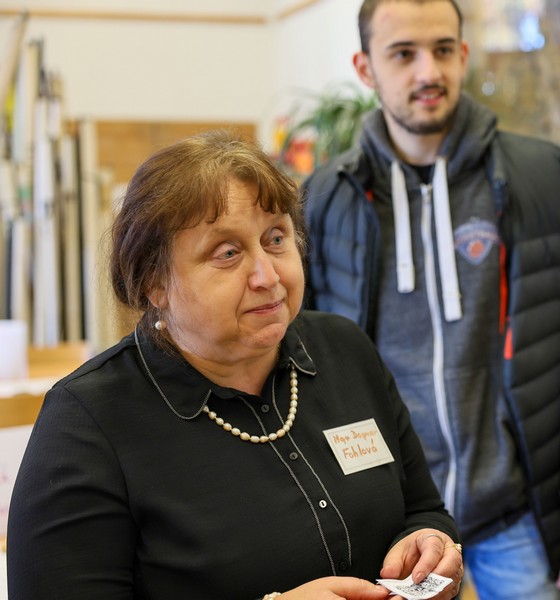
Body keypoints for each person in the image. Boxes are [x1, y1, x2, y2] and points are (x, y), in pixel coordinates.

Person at [6, 130, 465, 600]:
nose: (267, 275)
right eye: (227, 253)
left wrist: (431, 542)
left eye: (276, 238)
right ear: (154, 282)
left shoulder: (345, 349)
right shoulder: (87, 423)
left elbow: (422, 508)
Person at [301, 0, 560, 598]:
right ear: (366, 68)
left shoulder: (544, 176)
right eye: (404, 54)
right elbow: (302, 363)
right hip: (395, 531)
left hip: (519, 519)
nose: (428, 71)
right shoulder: (327, 199)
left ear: (464, 54)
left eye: (442, 50)